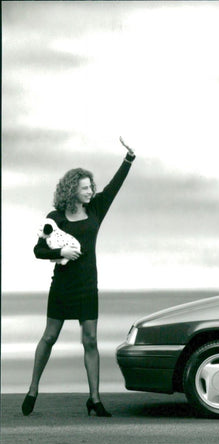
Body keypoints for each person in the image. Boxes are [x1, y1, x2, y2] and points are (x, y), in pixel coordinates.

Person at [22, 137, 136, 417]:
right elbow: (38, 250)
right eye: (85, 188)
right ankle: (33, 389)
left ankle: (94, 399)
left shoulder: (96, 208)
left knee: (90, 341)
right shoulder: (55, 217)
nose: (90, 191)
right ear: (72, 190)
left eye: (91, 187)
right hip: (62, 286)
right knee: (49, 337)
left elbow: (114, 187)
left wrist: (129, 159)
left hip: (87, 287)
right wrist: (61, 250)